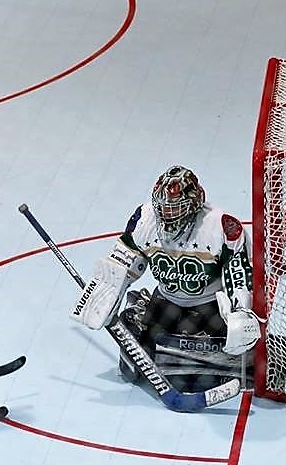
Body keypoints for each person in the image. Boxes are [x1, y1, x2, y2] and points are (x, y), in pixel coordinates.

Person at [70, 165, 261, 393]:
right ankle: (142, 312)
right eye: (162, 207)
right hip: (166, 300)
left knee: (230, 350)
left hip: (209, 304)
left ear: (192, 204)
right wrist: (105, 292)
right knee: (137, 359)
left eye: (175, 208)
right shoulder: (144, 218)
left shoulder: (221, 226)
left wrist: (240, 311)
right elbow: (122, 261)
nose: (166, 214)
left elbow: (237, 273)